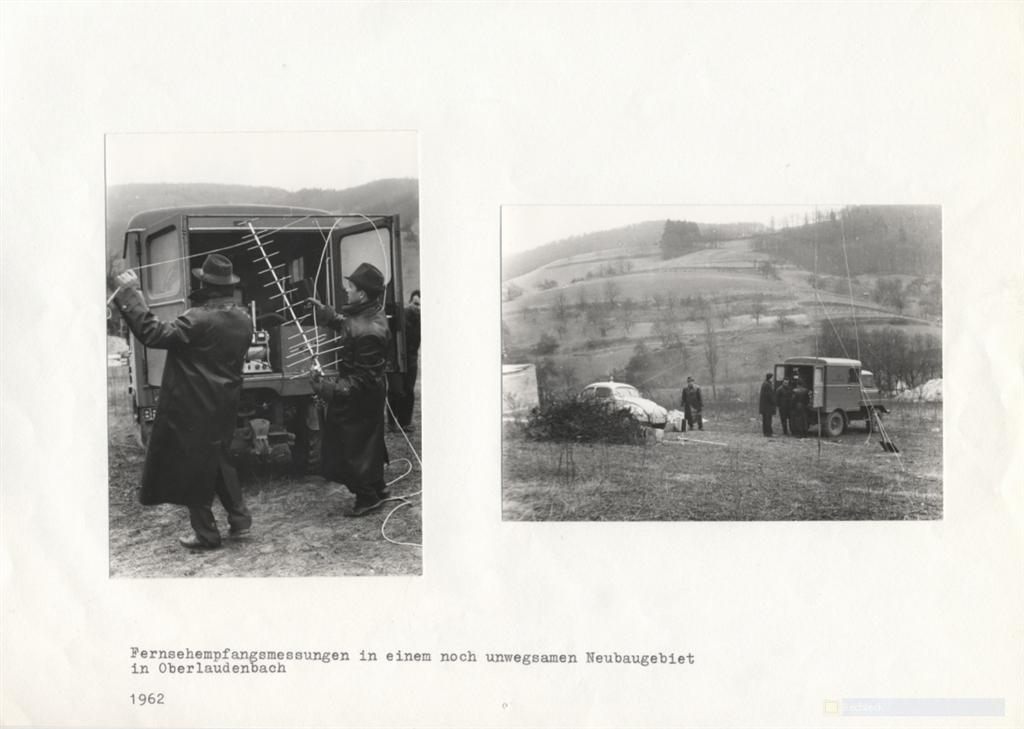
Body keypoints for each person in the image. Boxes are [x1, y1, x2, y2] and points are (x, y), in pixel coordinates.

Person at [113, 254, 253, 550]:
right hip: (224, 404)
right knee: (219, 459)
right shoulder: (244, 319)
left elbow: (153, 333)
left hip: (193, 407)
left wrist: (130, 294)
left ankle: (206, 535)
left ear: (205, 284)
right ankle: (240, 520)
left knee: (193, 468)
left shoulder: (198, 318)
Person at [307, 263, 391, 516]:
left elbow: (363, 379)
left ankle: (367, 497)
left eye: (351, 287)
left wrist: (327, 389)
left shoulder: (369, 331)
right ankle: (378, 487)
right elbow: (350, 325)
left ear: (362, 294)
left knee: (347, 448)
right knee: (367, 443)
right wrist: (328, 315)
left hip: (360, 395)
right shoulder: (368, 314)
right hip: (367, 393)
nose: (347, 290)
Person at [387, 289, 421, 432]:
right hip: (395, 357)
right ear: (409, 302)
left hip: (411, 359)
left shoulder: (422, 320)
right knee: (396, 390)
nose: (417, 308)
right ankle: (392, 422)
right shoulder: (401, 315)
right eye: (415, 303)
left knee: (408, 390)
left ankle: (405, 422)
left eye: (420, 305)